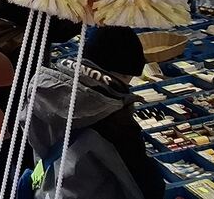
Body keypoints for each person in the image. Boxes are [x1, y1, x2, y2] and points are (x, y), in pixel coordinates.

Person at [27, 26, 165, 199]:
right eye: (127, 77)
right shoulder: (115, 122)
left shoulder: (43, 89)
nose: (128, 84)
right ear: (117, 73)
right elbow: (145, 185)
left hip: (46, 191)